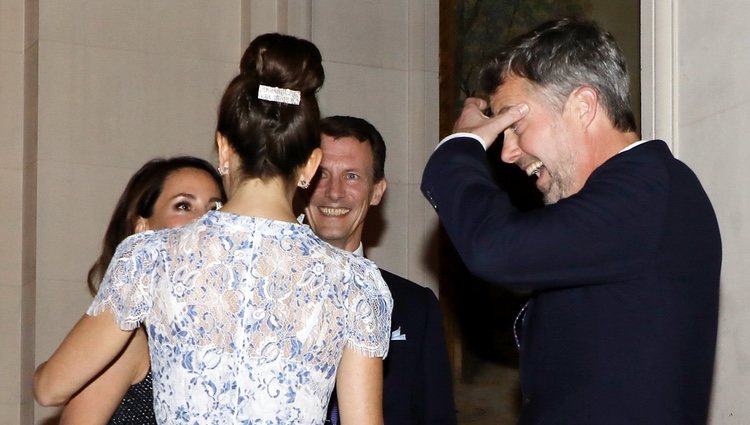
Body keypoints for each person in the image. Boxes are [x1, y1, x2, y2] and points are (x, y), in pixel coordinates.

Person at [34, 33, 393, 425]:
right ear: (311, 165)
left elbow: (50, 388)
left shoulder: (149, 257)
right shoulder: (355, 282)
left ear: (223, 149)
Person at [421, 17, 721, 425]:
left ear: (583, 106)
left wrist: (460, 147)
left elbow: (495, 249)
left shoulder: (649, 189)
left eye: (515, 125)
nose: (507, 153)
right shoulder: (632, 194)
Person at [302, 115, 457, 424]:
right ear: (300, 182)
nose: (333, 192)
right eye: (321, 175)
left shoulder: (415, 307)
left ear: (376, 191)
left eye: (351, 176)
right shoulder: (267, 291)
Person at [58, 156, 226, 425]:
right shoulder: (128, 336)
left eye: (215, 208)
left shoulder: (229, 332)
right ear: (142, 227)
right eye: (184, 205)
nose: (204, 222)